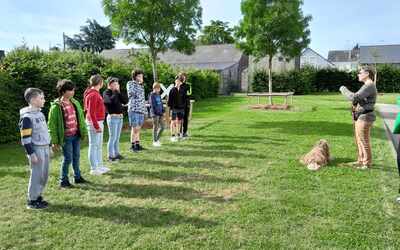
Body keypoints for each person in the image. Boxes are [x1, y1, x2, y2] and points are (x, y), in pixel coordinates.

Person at [48, 80, 88, 188]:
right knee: (68, 158)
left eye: (73, 90)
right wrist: (55, 141)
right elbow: (52, 126)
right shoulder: (56, 106)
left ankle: (77, 177)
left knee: (76, 157)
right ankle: (63, 180)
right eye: (70, 90)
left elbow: (80, 119)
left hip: (76, 135)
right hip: (66, 137)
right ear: (63, 91)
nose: (72, 92)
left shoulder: (75, 102)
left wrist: (83, 132)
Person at [340, 66, 377, 169]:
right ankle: (360, 160)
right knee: (359, 139)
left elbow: (354, 97)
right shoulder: (367, 85)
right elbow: (359, 99)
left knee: (364, 140)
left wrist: (343, 89)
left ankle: (367, 163)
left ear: (367, 74)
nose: (358, 74)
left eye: (360, 72)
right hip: (360, 116)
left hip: (365, 117)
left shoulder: (369, 85)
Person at [19, 88, 51, 209]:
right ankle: (32, 200)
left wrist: (49, 145)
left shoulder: (40, 113)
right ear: (33, 100)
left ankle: (38, 196)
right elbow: (25, 138)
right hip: (36, 149)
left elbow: (44, 132)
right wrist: (31, 154)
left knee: (44, 174)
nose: (44, 100)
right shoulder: (27, 117)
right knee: (36, 175)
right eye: (41, 98)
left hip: (45, 148)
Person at [84, 74, 109, 175]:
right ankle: (93, 168)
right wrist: (96, 126)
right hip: (94, 123)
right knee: (93, 145)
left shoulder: (95, 93)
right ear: (100, 83)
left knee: (98, 145)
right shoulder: (93, 94)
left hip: (99, 121)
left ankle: (100, 165)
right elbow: (91, 112)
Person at [103, 77, 128, 162]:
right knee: (112, 137)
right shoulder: (106, 93)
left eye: (117, 84)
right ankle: (110, 155)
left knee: (117, 138)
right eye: (115, 84)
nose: (117, 86)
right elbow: (109, 102)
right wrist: (115, 92)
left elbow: (125, 101)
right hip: (112, 118)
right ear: (110, 85)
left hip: (120, 118)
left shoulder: (117, 93)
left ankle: (116, 154)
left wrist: (118, 92)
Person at [127, 69, 146, 152]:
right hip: (133, 109)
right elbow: (132, 93)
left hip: (141, 110)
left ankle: (137, 144)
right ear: (135, 76)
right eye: (139, 76)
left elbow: (142, 98)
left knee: (138, 128)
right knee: (135, 128)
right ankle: (132, 145)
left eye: (141, 76)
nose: (141, 77)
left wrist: (145, 110)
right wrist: (139, 84)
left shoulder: (141, 85)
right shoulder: (130, 83)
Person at [168, 75, 185, 142]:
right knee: (173, 122)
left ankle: (178, 134)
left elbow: (183, 99)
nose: (178, 82)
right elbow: (169, 101)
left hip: (181, 108)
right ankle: (172, 136)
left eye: (180, 81)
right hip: (174, 108)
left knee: (179, 122)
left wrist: (183, 106)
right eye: (177, 80)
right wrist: (170, 109)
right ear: (175, 81)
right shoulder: (172, 90)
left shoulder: (182, 90)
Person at [149, 82, 165, 147]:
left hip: (160, 113)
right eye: (156, 88)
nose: (158, 89)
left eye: (159, 88)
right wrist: (156, 112)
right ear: (154, 88)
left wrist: (163, 110)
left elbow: (160, 103)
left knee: (163, 127)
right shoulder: (152, 95)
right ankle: (154, 141)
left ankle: (157, 139)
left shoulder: (159, 95)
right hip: (155, 114)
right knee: (155, 127)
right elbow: (152, 105)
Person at [178, 72, 192, 138]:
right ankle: (179, 132)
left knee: (186, 118)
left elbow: (189, 94)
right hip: (180, 105)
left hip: (186, 104)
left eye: (185, 76)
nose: (184, 78)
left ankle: (185, 132)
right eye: (183, 76)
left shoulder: (188, 85)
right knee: (180, 119)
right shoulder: (178, 85)